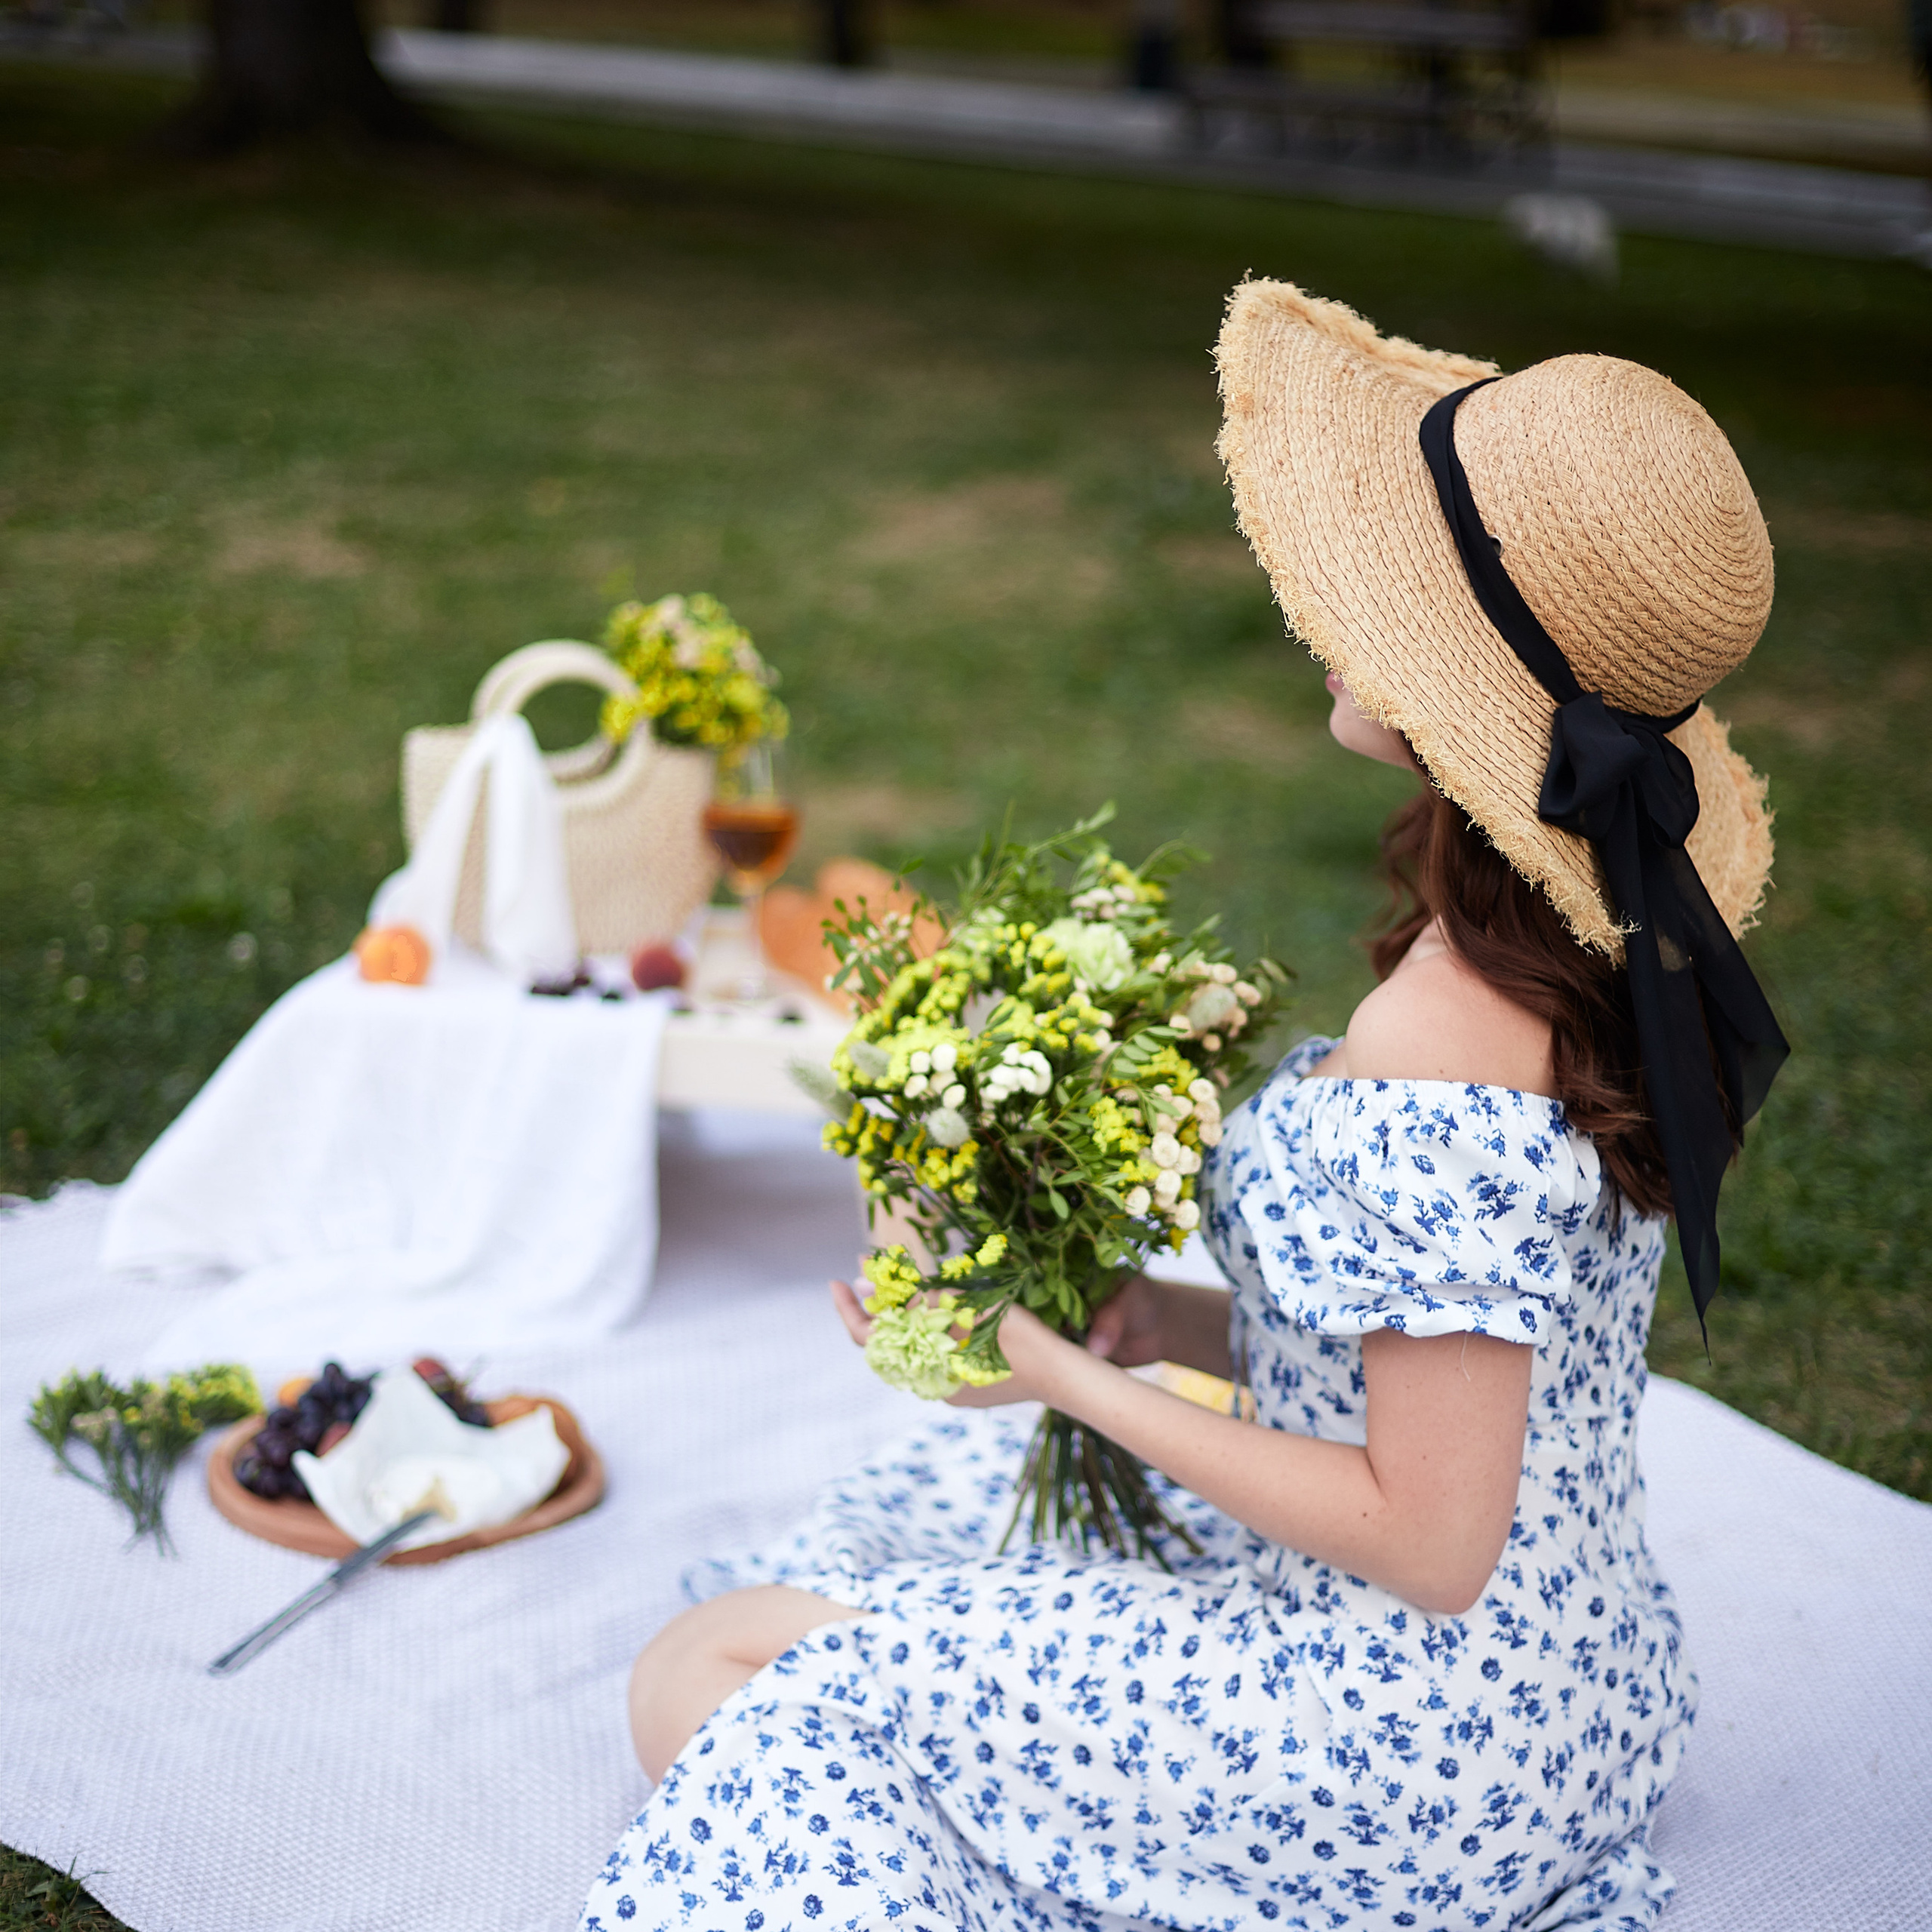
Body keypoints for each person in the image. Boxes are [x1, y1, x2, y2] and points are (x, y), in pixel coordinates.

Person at [579, 283, 1786, 1932]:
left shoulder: (1437, 1031)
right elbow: (1436, 1369)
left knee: (709, 1681)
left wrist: (1054, 1367)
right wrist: (1151, 1316)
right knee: (873, 1572)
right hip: (1570, 1687)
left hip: (1408, 1742)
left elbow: (1425, 1538)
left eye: (1390, 589)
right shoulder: (1599, 948)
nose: (1328, 608)